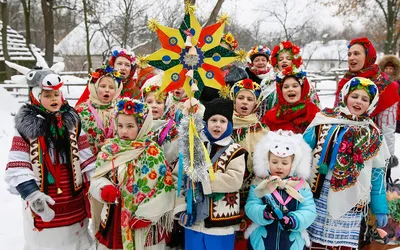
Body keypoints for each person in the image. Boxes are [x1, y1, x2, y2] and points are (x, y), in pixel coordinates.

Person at [4, 64, 96, 249]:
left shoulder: (72, 121)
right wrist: (33, 195)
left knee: (76, 238)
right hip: (44, 194)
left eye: (56, 95)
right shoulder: (25, 127)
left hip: (72, 195)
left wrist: (96, 183)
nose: (54, 99)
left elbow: (86, 158)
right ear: (35, 97)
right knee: (47, 241)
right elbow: (18, 164)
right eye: (47, 95)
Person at [305, 77, 389, 249]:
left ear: (371, 104)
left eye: (365, 99)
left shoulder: (373, 134)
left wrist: (380, 207)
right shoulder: (323, 121)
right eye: (355, 96)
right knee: (315, 243)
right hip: (318, 194)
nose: (358, 102)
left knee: (343, 246)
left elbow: (377, 174)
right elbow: (300, 153)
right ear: (345, 96)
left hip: (352, 199)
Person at [89, 98, 175, 250]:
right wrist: (103, 189)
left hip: (143, 224)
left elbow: (164, 186)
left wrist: (147, 214)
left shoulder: (152, 152)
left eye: (130, 126)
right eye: (120, 125)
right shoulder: (109, 150)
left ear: (142, 127)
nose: (123, 131)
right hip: (114, 219)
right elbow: (97, 177)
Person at [177, 98, 248, 250]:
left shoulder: (235, 151)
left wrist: (202, 178)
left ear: (229, 125)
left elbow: (234, 180)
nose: (217, 125)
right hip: (194, 220)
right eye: (213, 120)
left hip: (221, 224)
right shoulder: (194, 146)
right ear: (205, 123)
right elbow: (179, 174)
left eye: (222, 121)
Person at [334, 37, 399, 183]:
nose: (351, 58)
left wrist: (386, 162)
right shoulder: (346, 82)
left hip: (373, 154)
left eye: (357, 53)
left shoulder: (386, 86)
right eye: (349, 54)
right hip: (344, 154)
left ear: (368, 56)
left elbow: (387, 129)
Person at [245, 130, 317, 250]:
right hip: (261, 243)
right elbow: (251, 206)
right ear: (267, 162)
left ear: (293, 164)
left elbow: (309, 210)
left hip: (293, 244)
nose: (279, 166)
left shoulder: (301, 186)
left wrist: (295, 220)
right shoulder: (260, 183)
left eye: (284, 163)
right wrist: (264, 213)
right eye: (274, 162)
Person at [229, 79, 269, 249]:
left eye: (249, 99)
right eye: (240, 98)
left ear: (256, 103)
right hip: (228, 191)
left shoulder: (263, 131)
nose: (244, 102)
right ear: (233, 99)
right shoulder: (223, 125)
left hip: (251, 192)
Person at [258, 41, 320, 118]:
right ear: (276, 63)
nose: (284, 61)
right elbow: (261, 108)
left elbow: (314, 105)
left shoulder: (304, 81)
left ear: (294, 61)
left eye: (288, 58)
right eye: (280, 59)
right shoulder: (267, 82)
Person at [75, 65, 123, 155]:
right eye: (103, 86)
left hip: (115, 163)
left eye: (111, 87)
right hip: (89, 164)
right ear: (95, 87)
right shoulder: (80, 112)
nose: (107, 90)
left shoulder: (121, 111)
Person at [261, 69, 320, 133]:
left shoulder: (314, 113)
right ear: (280, 91)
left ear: (302, 89)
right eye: (286, 87)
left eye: (295, 86)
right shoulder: (270, 117)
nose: (290, 89)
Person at [141, 73, 179, 168]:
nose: (154, 105)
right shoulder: (139, 123)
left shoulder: (171, 127)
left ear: (166, 105)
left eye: (159, 102)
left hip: (163, 168)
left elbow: (172, 154)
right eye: (149, 102)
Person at [199, 33, 248, 103]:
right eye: (217, 50)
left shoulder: (240, 74)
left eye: (224, 51)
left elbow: (244, 98)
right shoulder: (202, 71)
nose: (220, 55)